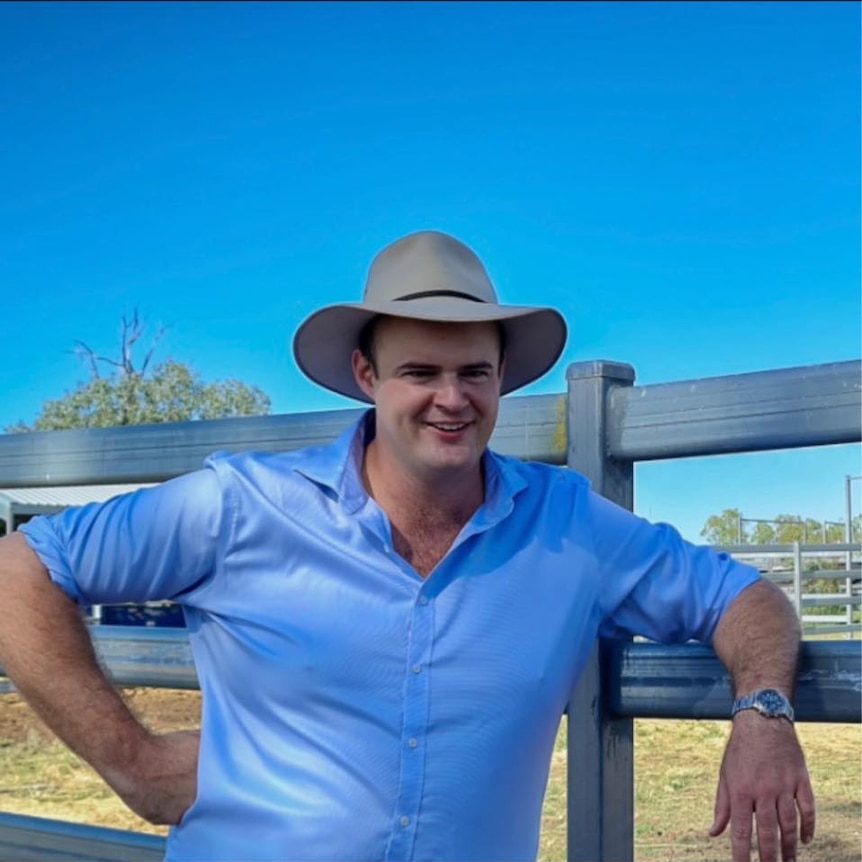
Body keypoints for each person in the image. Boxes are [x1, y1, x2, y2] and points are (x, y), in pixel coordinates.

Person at [0, 230, 813, 862]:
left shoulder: (569, 525)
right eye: (420, 370)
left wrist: (764, 717)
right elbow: (20, 567)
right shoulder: (242, 506)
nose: (451, 400)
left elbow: (744, 598)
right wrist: (133, 763)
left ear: (503, 380)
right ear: (366, 374)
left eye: (475, 373)